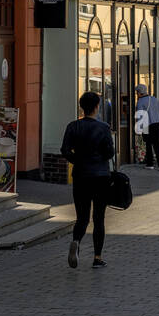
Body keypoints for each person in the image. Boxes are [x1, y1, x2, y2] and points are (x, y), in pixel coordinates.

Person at [60, 91, 115, 270]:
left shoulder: (73, 126)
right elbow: (109, 153)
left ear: (81, 107)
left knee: (82, 217)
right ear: (97, 107)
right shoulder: (104, 127)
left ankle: (76, 241)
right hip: (100, 176)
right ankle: (97, 258)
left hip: (81, 176)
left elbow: (65, 150)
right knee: (99, 218)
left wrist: (78, 161)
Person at [134, 84, 159, 171]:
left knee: (148, 144)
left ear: (139, 92)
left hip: (146, 125)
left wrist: (138, 128)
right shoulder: (154, 99)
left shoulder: (140, 101)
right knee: (157, 144)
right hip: (157, 123)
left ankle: (150, 164)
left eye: (137, 92)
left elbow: (139, 115)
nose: (137, 94)